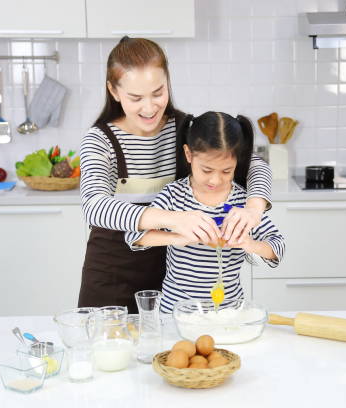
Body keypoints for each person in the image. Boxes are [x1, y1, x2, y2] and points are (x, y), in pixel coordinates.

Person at [78, 37, 273, 313]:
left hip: (179, 280)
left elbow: (254, 164)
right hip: (112, 275)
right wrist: (175, 220)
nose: (149, 108)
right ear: (114, 91)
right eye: (136, 98)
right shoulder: (100, 141)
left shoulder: (185, 128)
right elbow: (94, 207)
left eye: (158, 92)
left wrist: (253, 209)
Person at [124, 112, 285, 313]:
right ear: (189, 154)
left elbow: (277, 246)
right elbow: (133, 236)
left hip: (230, 312)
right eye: (207, 170)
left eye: (226, 171)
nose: (215, 181)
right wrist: (176, 237)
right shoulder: (174, 196)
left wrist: (249, 244)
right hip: (176, 311)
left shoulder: (242, 203)